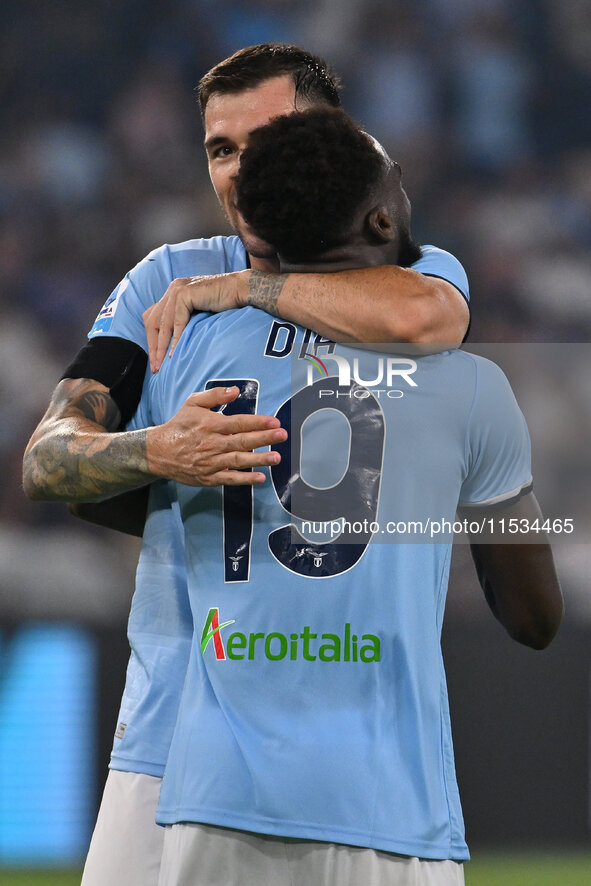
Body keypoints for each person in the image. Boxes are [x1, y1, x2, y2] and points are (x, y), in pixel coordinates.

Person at [22, 44, 470, 886]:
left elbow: (426, 321)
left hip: (355, 738)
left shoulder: (408, 268)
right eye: (219, 149)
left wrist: (241, 290)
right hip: (170, 729)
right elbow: (49, 457)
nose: (238, 172)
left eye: (264, 142)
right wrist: (154, 450)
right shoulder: (164, 277)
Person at [133, 107, 562, 886]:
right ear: (380, 212)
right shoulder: (469, 383)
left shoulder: (184, 351)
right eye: (394, 178)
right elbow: (534, 618)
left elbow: (103, 493)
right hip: (390, 813)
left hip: (214, 800)